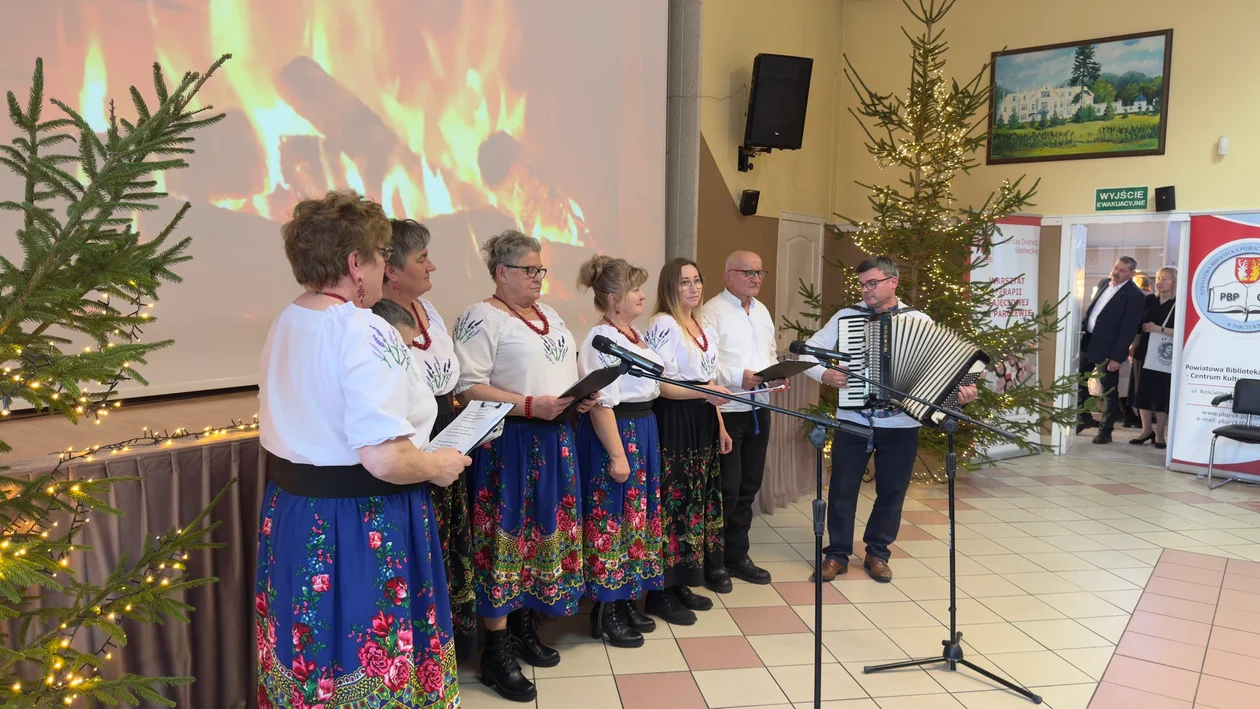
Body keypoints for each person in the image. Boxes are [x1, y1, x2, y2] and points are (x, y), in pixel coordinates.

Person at [256, 190, 470, 709]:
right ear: (356, 263)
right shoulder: (363, 329)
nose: (380, 271)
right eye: (378, 257)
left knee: (310, 656)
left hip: (294, 516)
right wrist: (438, 465)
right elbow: (387, 458)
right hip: (360, 521)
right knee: (368, 658)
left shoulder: (286, 321)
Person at [452, 230, 595, 702]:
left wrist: (582, 393)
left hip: (557, 438)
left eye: (541, 269)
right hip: (509, 443)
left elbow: (566, 369)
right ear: (501, 273)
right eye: (529, 270)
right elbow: (470, 387)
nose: (538, 278)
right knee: (506, 536)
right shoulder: (481, 317)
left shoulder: (550, 315)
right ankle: (495, 648)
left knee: (542, 533)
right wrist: (531, 405)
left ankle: (523, 624)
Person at [800, 256, 977, 584]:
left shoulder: (918, 321)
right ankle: (837, 553)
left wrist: (962, 392)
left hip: (901, 425)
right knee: (841, 488)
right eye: (862, 284)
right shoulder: (847, 316)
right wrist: (825, 374)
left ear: (893, 282)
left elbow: (945, 369)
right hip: (853, 419)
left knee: (893, 490)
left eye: (873, 283)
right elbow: (806, 352)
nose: (866, 290)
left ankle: (877, 552)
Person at [379, 218, 476, 659]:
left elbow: (449, 380)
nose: (432, 266)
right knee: (418, 546)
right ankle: (419, 653)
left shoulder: (430, 313)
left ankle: (453, 648)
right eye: (422, 259)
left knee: (450, 545)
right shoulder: (374, 322)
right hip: (409, 446)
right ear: (391, 270)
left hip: (447, 434)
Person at [574, 255, 667, 648]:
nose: (643, 295)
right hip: (618, 431)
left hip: (643, 427)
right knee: (610, 518)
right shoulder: (601, 340)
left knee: (635, 517)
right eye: (635, 290)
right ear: (613, 298)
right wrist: (617, 454)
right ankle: (605, 609)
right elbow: (601, 402)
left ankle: (627, 595)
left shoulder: (633, 334)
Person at [643, 258, 732, 625]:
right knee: (675, 502)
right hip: (675, 418)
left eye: (697, 280)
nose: (693, 287)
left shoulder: (701, 322)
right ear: (669, 287)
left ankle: (682, 580)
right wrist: (702, 395)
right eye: (684, 282)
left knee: (696, 501)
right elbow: (658, 384)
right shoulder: (663, 324)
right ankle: (660, 592)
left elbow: (710, 382)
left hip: (703, 417)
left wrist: (721, 425)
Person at [701, 250, 780, 591]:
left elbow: (771, 354)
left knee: (748, 487)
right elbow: (703, 368)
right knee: (725, 491)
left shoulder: (760, 311)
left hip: (759, 408)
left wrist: (774, 375)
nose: (755, 279)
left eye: (760, 273)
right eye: (748, 272)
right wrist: (738, 376)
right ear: (728, 275)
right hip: (727, 410)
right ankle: (713, 562)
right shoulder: (711, 313)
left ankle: (737, 555)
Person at [1077, 256, 1147, 444]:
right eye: (1116, 267)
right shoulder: (1104, 283)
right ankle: (1083, 418)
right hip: (1088, 341)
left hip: (1110, 348)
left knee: (1108, 390)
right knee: (1078, 381)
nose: (1117, 272)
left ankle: (1106, 430)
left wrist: (1117, 357)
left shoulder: (1135, 295)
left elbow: (1128, 329)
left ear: (1132, 274)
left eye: (1123, 270)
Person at [1131, 266, 1177, 449]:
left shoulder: (1179, 303)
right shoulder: (1149, 299)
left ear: (1175, 282)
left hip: (1164, 353)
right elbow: (1139, 324)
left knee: (1160, 393)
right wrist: (1134, 343)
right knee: (1142, 390)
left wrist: (1158, 329)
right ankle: (1146, 429)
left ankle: (1160, 434)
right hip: (1144, 349)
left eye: (1166, 279)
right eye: (1159, 278)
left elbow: (1182, 331)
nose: (1160, 282)